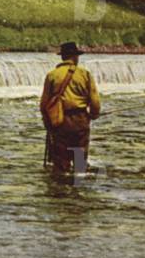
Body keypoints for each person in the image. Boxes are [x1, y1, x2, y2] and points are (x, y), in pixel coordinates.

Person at [40, 41, 101, 173]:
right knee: (79, 161)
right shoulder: (85, 74)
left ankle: (61, 189)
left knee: (61, 162)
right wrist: (93, 116)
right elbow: (95, 101)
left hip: (60, 121)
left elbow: (44, 103)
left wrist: (47, 122)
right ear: (75, 57)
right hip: (80, 121)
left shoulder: (52, 75)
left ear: (62, 57)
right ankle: (77, 188)